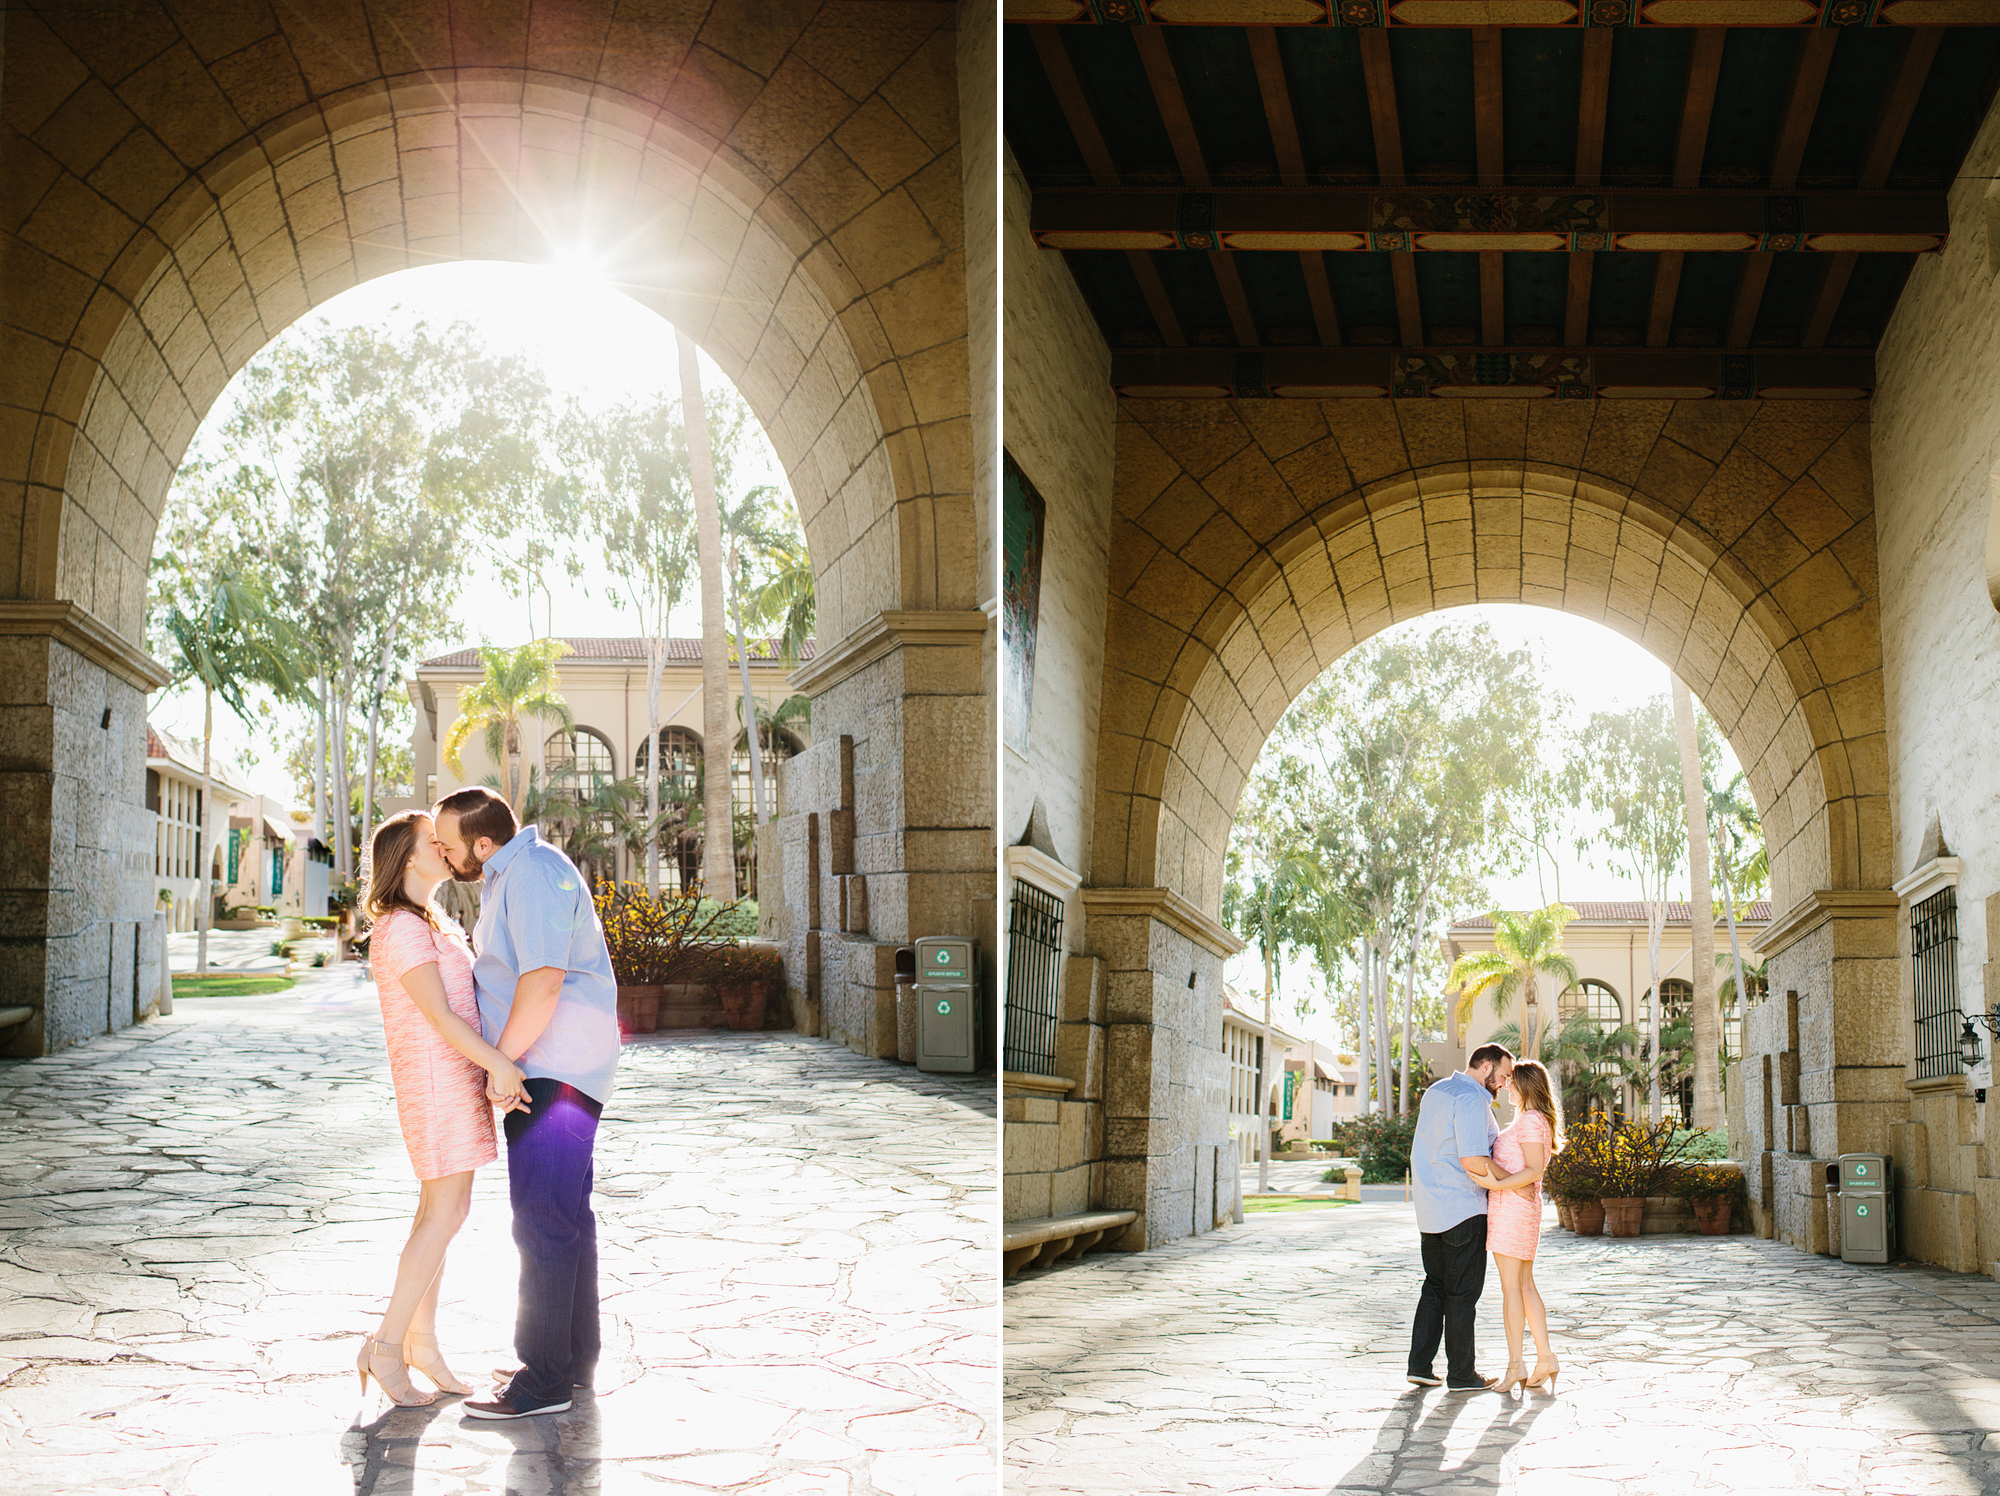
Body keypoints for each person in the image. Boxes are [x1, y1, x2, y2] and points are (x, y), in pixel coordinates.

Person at [431, 785, 621, 1421]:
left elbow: (541, 983)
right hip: (556, 1065)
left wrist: (502, 1064)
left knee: (541, 1220)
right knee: (564, 1218)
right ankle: (569, 1363)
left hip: (551, 1067)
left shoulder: (535, 873)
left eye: (449, 843)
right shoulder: (514, 875)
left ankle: (542, 1383)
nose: (443, 851)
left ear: (482, 843)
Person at [356, 810, 530, 1408]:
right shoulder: (401, 929)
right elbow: (438, 1015)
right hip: (436, 1084)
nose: (446, 848)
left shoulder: (431, 921)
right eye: (434, 842)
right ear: (407, 858)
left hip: (452, 1080)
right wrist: (500, 1065)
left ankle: (420, 1343)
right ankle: (384, 1345)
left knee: (440, 1213)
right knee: (444, 1213)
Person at [1406, 1042, 1513, 1392]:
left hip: (1430, 1209)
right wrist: (1513, 1183)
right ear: (1485, 1067)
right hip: (1463, 1209)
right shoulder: (1470, 1099)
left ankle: (1419, 1366)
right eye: (1502, 1075)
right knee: (1463, 1295)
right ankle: (1462, 1374)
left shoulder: (1436, 1091)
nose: (1503, 1083)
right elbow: (1472, 1160)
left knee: (1434, 1288)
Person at [1481, 1057, 1564, 1394]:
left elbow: (1533, 1171)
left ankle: (1517, 1364)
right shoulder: (1532, 1120)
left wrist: (1495, 1186)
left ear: (1526, 1086)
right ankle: (1545, 1358)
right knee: (1525, 1285)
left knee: (1513, 1288)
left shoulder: (1530, 1121)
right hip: (1518, 1209)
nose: (1506, 1086)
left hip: (1512, 1211)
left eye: (1511, 1082)